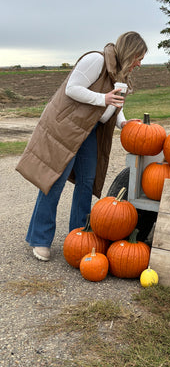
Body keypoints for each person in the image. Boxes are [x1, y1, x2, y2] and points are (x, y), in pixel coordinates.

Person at [16, 31, 147, 261]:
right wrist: (102, 99)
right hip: (67, 129)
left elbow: (114, 103)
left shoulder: (120, 74)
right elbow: (72, 88)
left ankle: (78, 234)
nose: (139, 63)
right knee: (54, 181)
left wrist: (122, 121)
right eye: (138, 57)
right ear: (129, 51)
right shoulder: (96, 60)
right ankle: (40, 239)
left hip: (90, 131)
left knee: (87, 181)